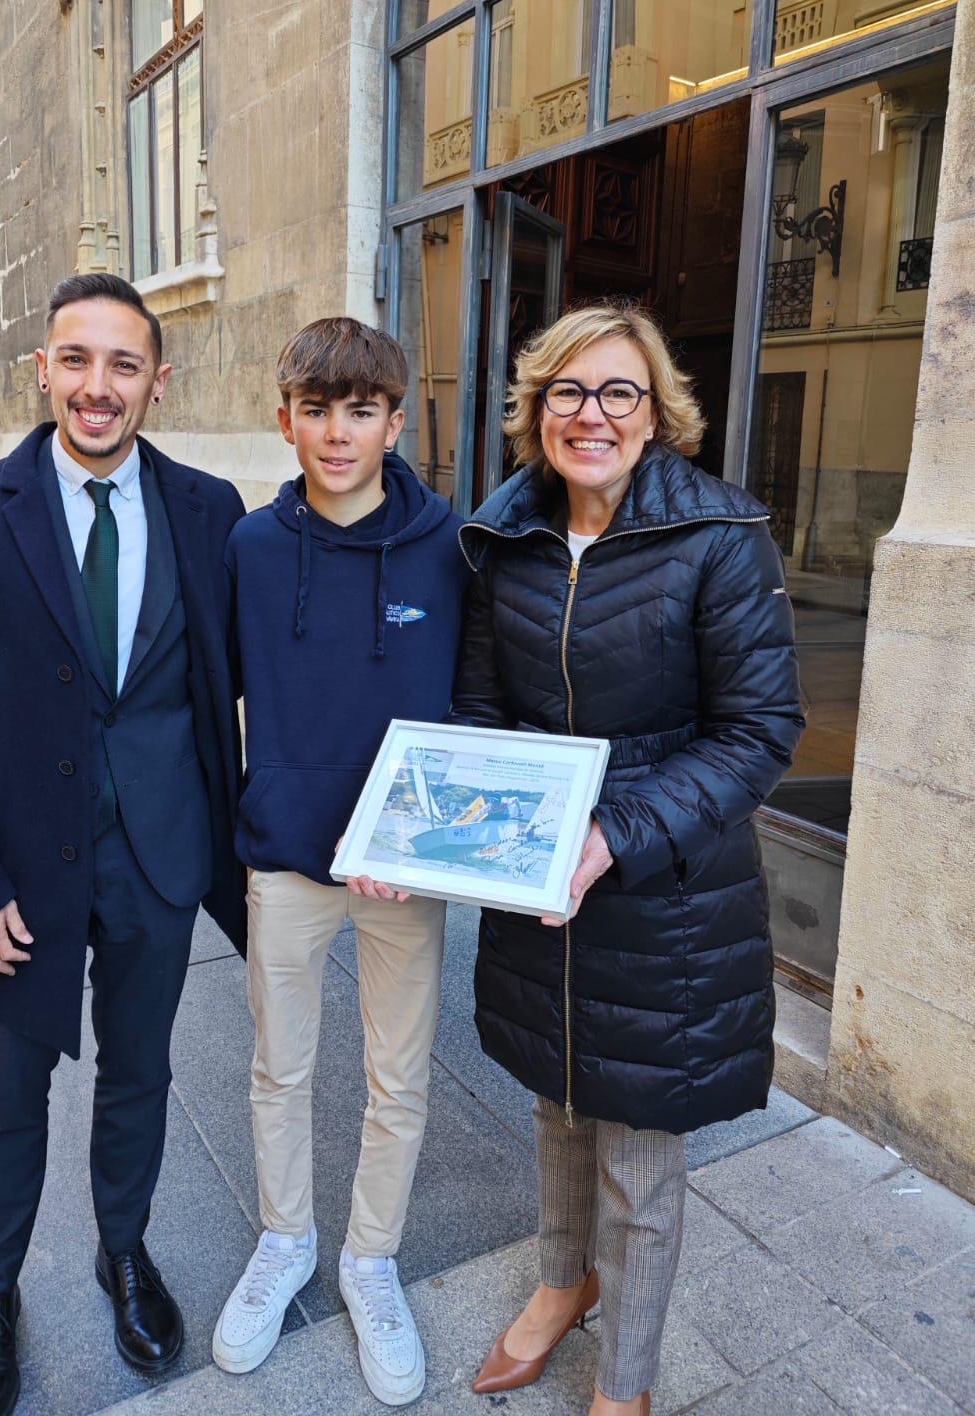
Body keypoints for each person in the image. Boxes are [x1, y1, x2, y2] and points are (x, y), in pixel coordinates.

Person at [0, 273, 246, 1416]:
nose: (99, 387)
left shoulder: (209, 510)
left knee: (141, 1074)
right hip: (18, 874)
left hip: (160, 856)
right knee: (9, 1093)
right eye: (77, 360)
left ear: (156, 379)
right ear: (42, 369)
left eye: (124, 364)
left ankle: (124, 1251)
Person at [453, 302, 804, 1416]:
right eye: (567, 390)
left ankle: (629, 1382)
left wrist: (610, 835)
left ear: (657, 415)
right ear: (536, 409)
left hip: (665, 895)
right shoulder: (502, 538)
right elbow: (478, 708)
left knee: (641, 1149)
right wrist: (489, 823)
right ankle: (564, 1280)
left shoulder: (720, 537)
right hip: (540, 881)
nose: (590, 414)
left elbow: (758, 732)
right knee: (556, 1101)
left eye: (618, 392)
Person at [213, 318, 468, 1406]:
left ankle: (371, 1257)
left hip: (400, 874)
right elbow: (216, 693)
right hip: (285, 860)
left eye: (360, 409)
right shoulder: (253, 549)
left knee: (396, 1078)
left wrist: (436, 836)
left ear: (396, 420)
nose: (336, 431)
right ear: (286, 419)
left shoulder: (448, 546)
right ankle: (287, 1241)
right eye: (315, 409)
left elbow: (471, 709)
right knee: (280, 1068)